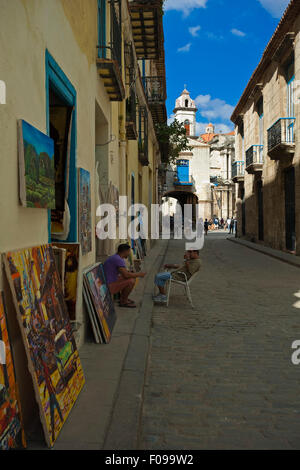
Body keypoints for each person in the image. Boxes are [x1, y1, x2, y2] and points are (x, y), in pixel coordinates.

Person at [103, 244, 146, 308]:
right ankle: (123, 301)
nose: (129, 253)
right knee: (131, 281)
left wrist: (132, 274)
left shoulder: (116, 257)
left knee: (131, 278)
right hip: (109, 284)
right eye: (129, 251)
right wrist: (139, 274)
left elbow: (124, 273)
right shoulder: (118, 259)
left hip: (110, 280)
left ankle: (123, 298)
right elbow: (126, 275)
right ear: (125, 251)